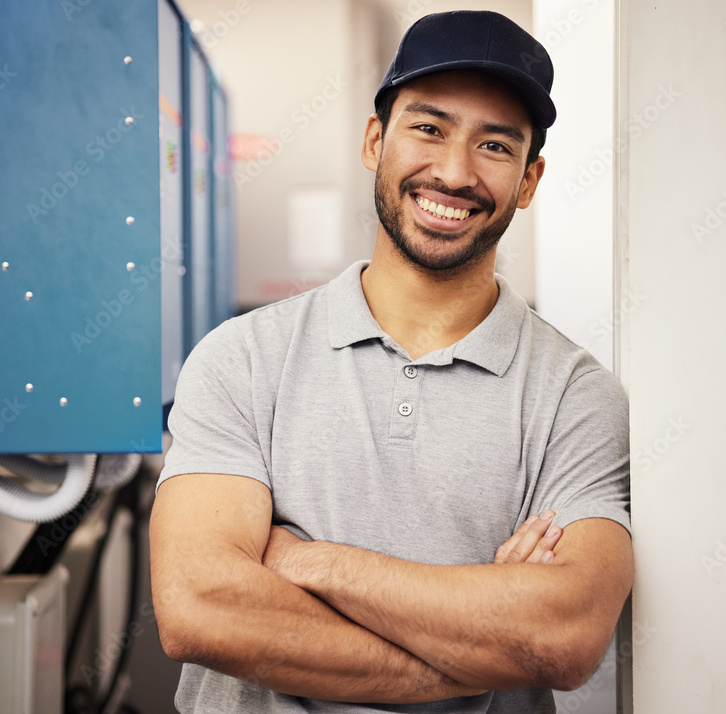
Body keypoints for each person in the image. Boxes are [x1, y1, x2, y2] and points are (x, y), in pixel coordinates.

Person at [150, 10, 632, 713]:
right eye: (428, 128)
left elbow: (562, 635)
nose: (454, 172)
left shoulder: (576, 397)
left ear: (529, 181)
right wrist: (476, 645)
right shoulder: (242, 360)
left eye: (495, 146)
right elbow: (200, 608)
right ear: (376, 140)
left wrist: (300, 562)